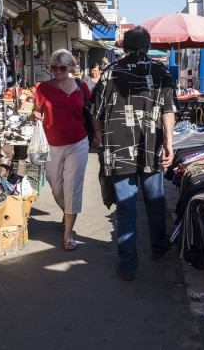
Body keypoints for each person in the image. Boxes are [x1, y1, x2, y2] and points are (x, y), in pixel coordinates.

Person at [90, 26, 175, 281]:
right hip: (151, 149)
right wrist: (169, 143)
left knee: (126, 209)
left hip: (118, 149)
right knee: (155, 202)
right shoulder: (161, 71)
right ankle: (159, 248)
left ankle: (128, 266)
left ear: (124, 47)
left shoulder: (110, 71)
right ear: (148, 47)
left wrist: (99, 135)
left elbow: (96, 112)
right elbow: (168, 111)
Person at [31, 49, 91, 251]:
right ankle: (68, 213)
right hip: (51, 144)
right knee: (56, 187)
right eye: (53, 68)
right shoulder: (43, 88)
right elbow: (37, 110)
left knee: (72, 187)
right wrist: (35, 115)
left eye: (62, 68)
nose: (57, 72)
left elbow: (91, 112)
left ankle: (69, 233)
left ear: (71, 68)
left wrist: (98, 134)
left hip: (78, 143)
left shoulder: (82, 87)